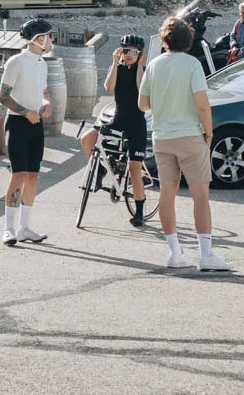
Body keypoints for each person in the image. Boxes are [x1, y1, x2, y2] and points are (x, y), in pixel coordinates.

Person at [139, 17, 232, 270]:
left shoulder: (154, 65)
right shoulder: (192, 64)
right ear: (188, 41)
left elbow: (143, 104)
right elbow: (202, 104)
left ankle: (175, 252)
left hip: (162, 137)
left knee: (167, 194)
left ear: (164, 40)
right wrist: (209, 134)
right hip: (190, 135)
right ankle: (206, 254)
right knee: (200, 196)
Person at [0, 17, 55, 246]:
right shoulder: (16, 62)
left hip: (36, 123)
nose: (52, 40)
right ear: (39, 39)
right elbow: (3, 96)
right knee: (18, 175)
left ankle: (24, 228)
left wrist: (46, 103)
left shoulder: (43, 62)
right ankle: (8, 229)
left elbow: (44, 91)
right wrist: (25, 112)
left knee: (33, 176)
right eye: (49, 36)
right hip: (18, 123)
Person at [80, 33, 148, 226]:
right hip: (117, 119)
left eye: (133, 52)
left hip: (137, 123)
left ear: (140, 54)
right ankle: (100, 169)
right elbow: (108, 87)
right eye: (125, 51)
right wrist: (114, 62)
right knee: (87, 139)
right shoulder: (117, 67)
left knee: (134, 169)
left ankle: (139, 211)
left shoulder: (143, 70)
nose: (128, 55)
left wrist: (140, 65)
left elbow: (141, 89)